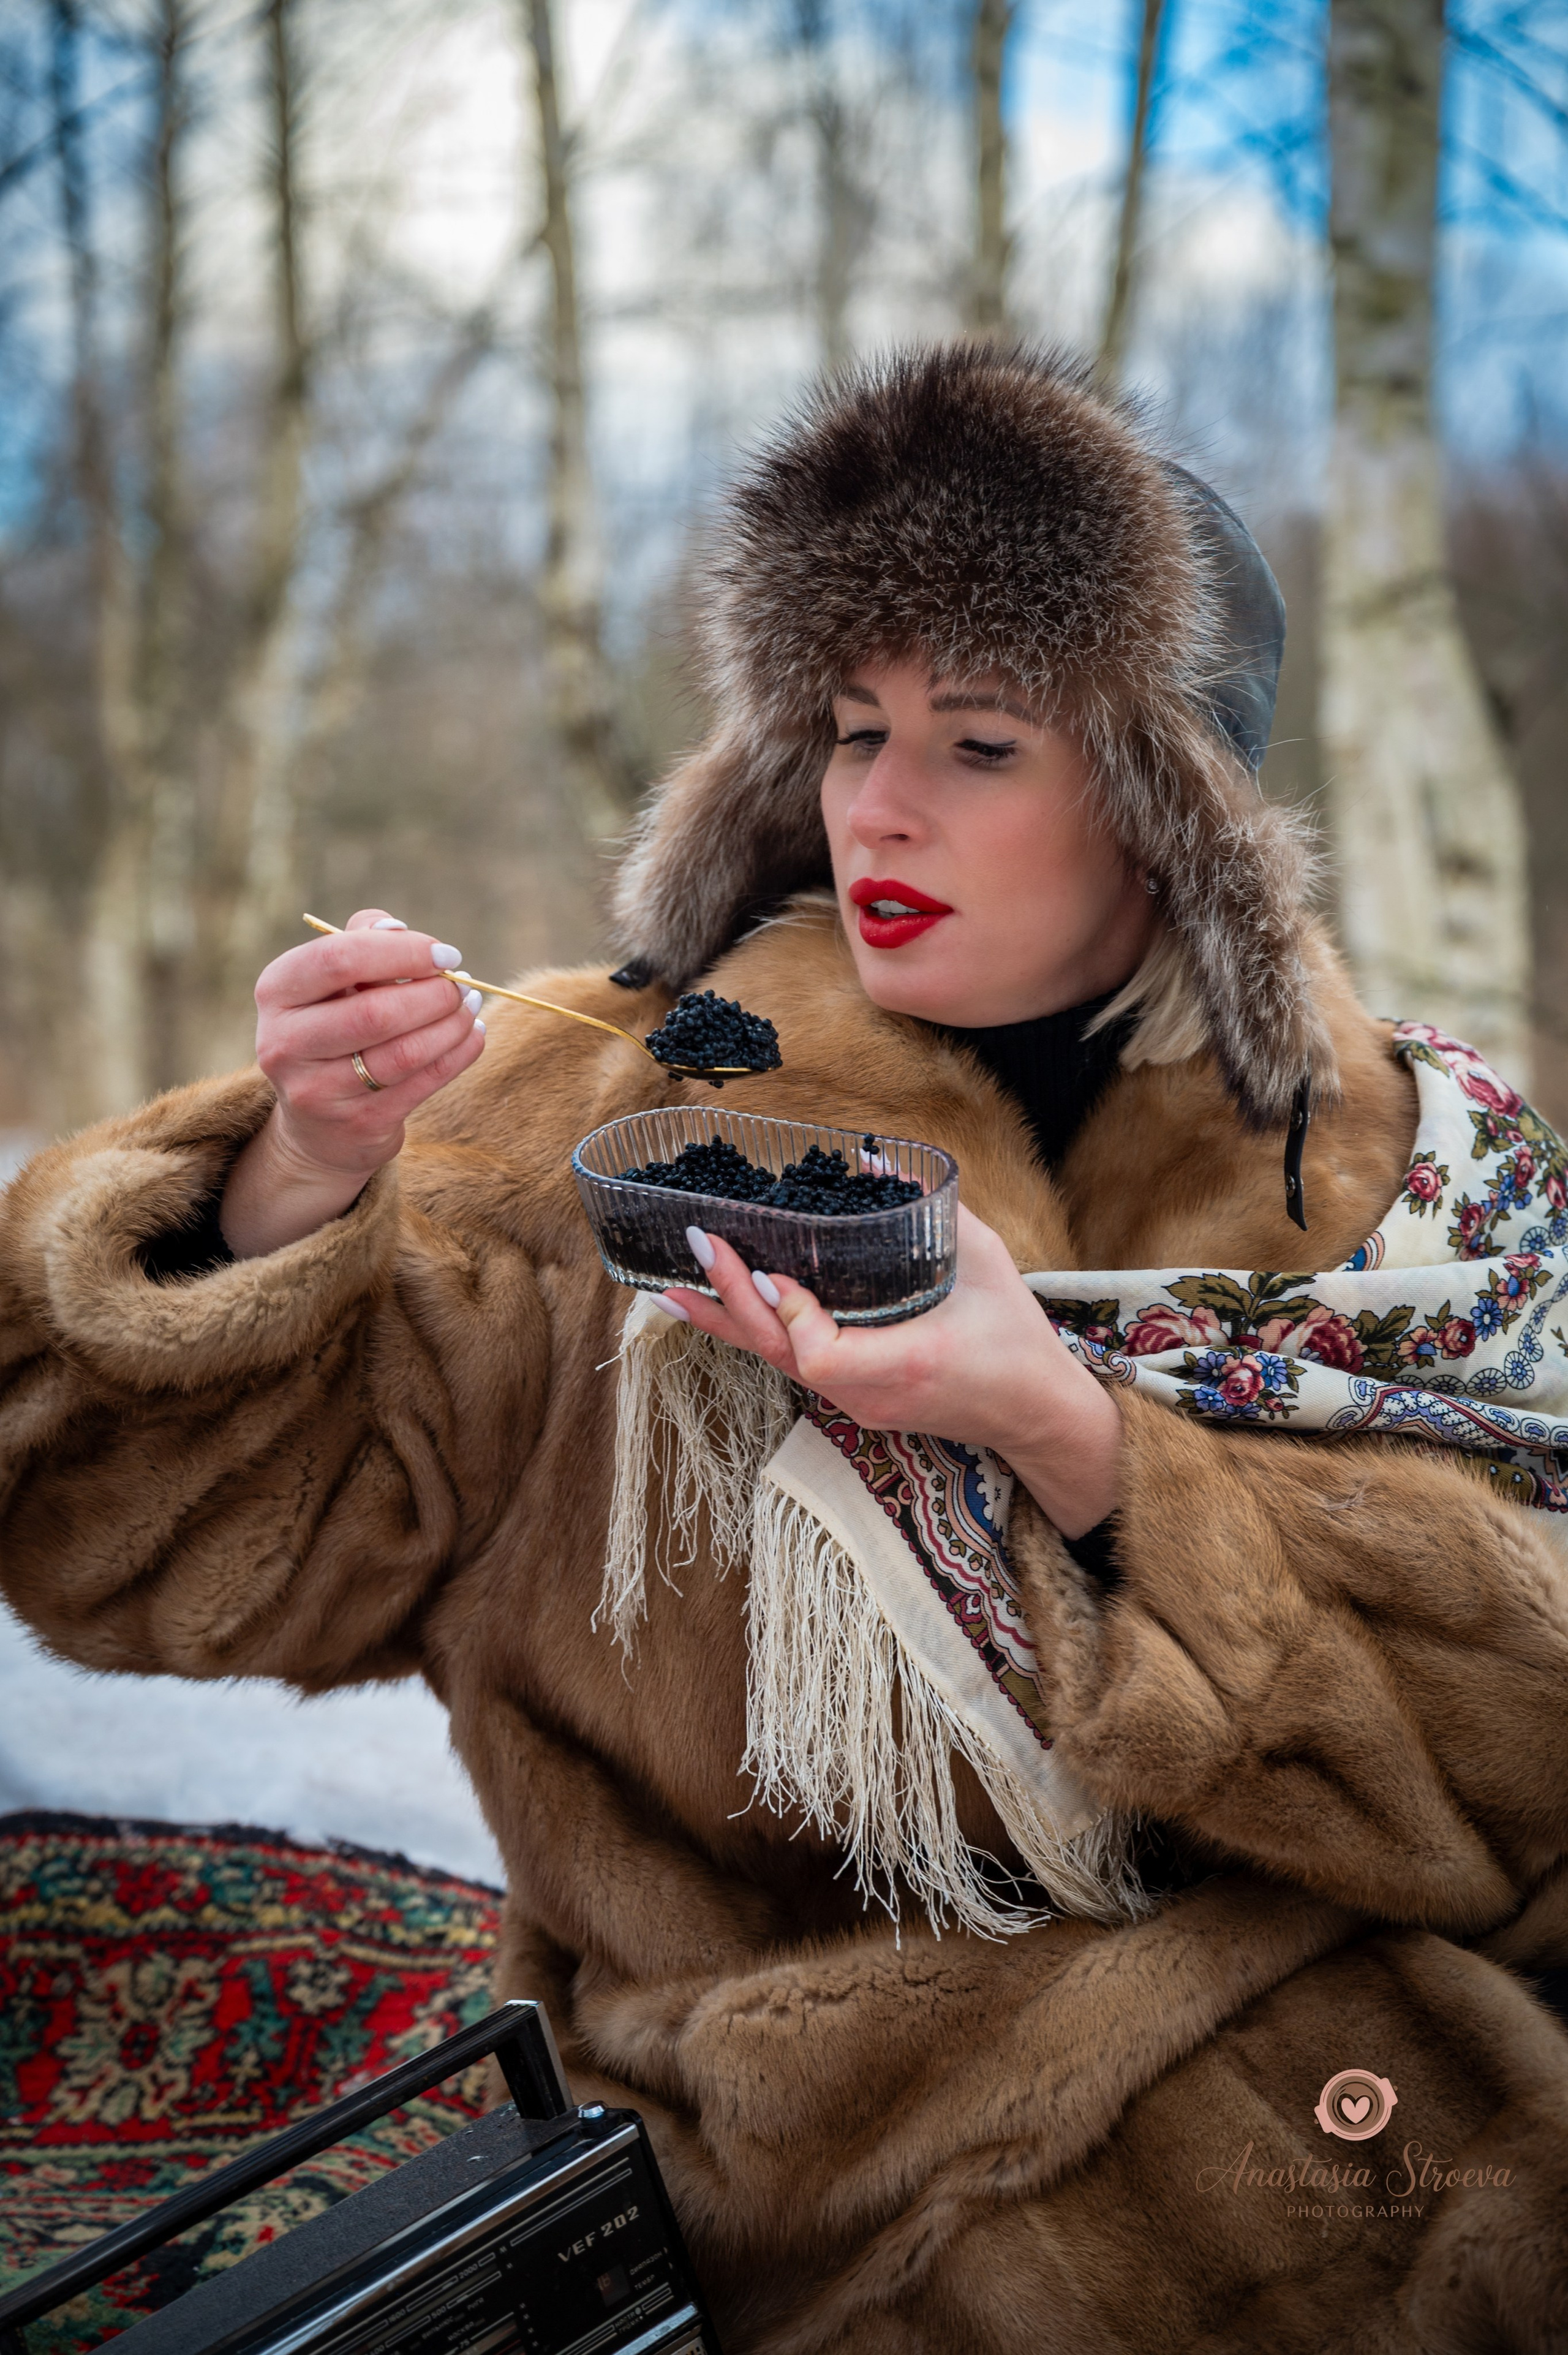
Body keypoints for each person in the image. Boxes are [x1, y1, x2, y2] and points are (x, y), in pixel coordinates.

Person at [4, 346, 1567, 2351]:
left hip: (1419, 2119)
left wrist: (1071, 1435)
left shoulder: (1424, 1185)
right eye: (848, 729)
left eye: (980, 742)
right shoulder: (593, 1118)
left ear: (1169, 807)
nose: (878, 805)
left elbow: (1532, 1783)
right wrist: (295, 1177)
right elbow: (133, 1557)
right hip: (875, 2187)